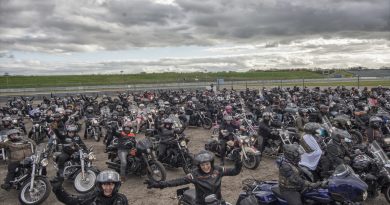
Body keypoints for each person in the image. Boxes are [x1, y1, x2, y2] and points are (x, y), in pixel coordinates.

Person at [145, 150, 242, 205]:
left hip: (218, 201)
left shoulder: (218, 170)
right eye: (202, 165)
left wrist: (238, 162)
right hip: (201, 203)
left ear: (211, 163)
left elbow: (235, 171)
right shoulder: (195, 174)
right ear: (199, 166)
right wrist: (158, 184)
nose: (205, 167)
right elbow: (178, 181)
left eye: (207, 164)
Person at [51, 170, 128, 205]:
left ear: (116, 185)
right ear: (100, 185)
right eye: (105, 184)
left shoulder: (121, 199)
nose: (108, 188)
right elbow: (72, 200)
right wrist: (58, 189)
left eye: (111, 184)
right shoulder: (92, 196)